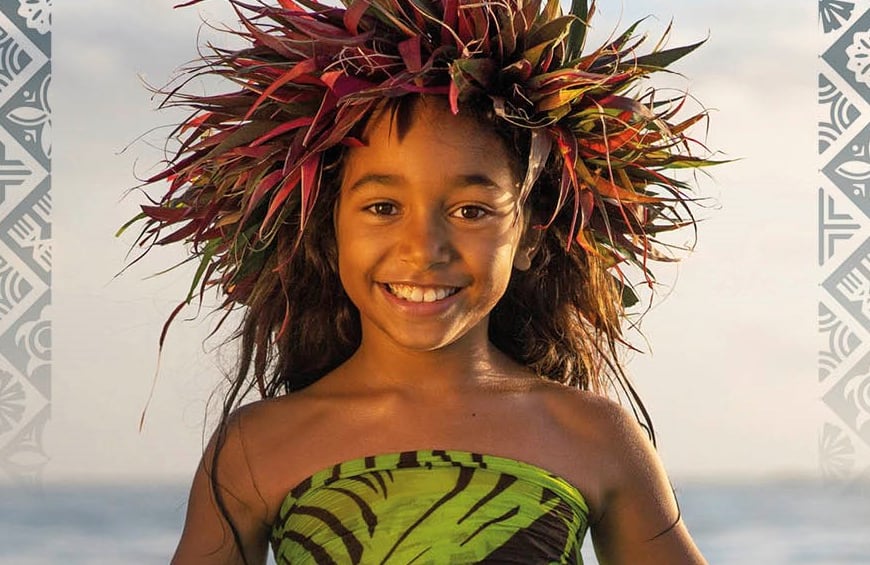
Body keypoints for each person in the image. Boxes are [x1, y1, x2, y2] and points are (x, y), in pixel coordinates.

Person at [127, 0, 717, 562]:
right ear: (328, 229)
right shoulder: (255, 446)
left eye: (470, 211)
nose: (424, 249)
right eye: (383, 208)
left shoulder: (592, 433)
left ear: (531, 235)